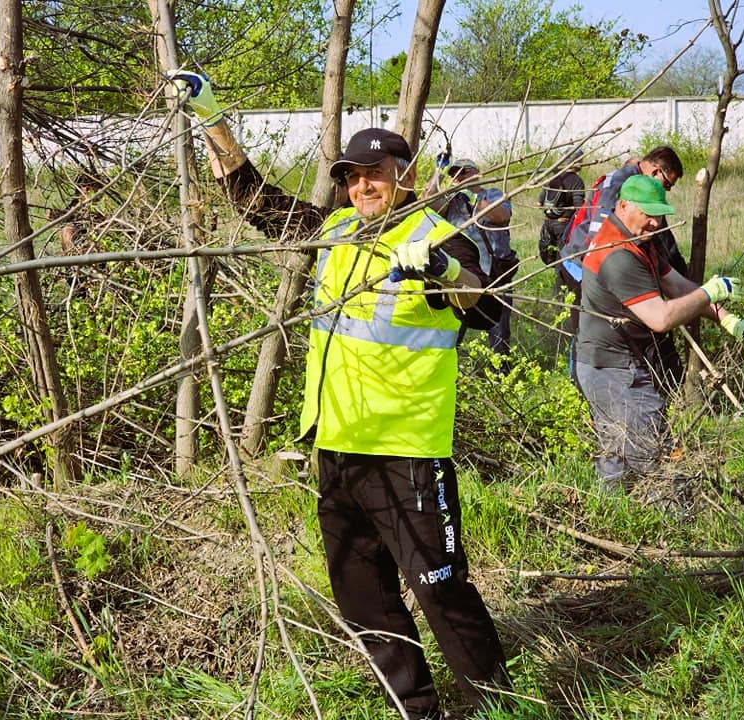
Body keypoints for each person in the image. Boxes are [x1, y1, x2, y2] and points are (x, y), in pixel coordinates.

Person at [166, 71, 510, 720]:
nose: (361, 185)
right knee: (364, 600)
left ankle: (502, 706)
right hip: (336, 450)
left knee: (441, 592)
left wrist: (440, 270)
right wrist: (211, 116)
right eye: (352, 176)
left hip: (407, 453)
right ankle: (418, 709)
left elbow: (482, 300)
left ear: (404, 174)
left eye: (373, 172)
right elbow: (256, 201)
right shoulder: (336, 231)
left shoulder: (434, 238)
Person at [574, 174, 744, 499]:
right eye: (648, 213)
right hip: (615, 372)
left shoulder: (639, 239)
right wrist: (709, 293)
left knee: (617, 456)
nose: (655, 222)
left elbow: (675, 285)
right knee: (655, 457)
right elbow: (661, 318)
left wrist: (728, 319)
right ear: (623, 205)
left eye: (659, 214)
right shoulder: (617, 255)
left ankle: (614, 518)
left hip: (608, 364)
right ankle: (675, 532)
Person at [560, 146, 688, 384]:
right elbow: (599, 243)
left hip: (606, 263)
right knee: (590, 332)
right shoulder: (619, 184)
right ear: (655, 171)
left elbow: (659, 240)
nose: (666, 191)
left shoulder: (645, 190)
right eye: (667, 185)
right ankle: (581, 386)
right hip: (582, 266)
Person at [427, 156, 517, 356]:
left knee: (498, 330)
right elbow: (429, 201)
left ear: (477, 173)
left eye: (464, 172)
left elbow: (502, 215)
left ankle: (502, 375)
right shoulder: (453, 201)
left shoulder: (493, 194)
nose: (459, 177)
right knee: (455, 328)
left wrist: (476, 200)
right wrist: (438, 172)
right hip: (462, 274)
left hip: (495, 273)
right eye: (455, 174)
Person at [538, 148, 585, 277]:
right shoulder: (576, 181)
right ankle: (561, 284)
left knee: (552, 255)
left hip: (548, 223)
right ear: (576, 162)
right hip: (563, 224)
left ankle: (558, 281)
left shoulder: (553, 176)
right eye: (581, 160)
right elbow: (578, 206)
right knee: (564, 257)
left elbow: (539, 203)